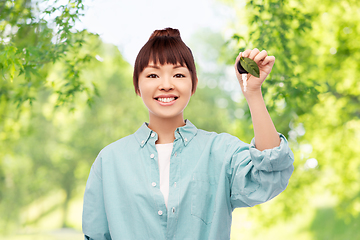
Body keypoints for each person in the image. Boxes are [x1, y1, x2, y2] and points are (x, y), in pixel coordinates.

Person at [82, 27, 294, 240]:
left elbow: (270, 176)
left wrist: (253, 92)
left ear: (193, 85)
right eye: (153, 74)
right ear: (137, 85)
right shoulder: (109, 161)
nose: (166, 85)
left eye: (178, 74)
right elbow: (96, 235)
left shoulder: (220, 151)